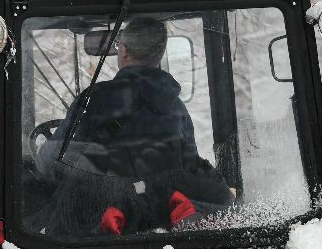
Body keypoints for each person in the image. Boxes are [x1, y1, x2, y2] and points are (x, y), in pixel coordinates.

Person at [37, 17, 228, 236]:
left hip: (103, 201)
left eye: (119, 46)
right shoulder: (176, 106)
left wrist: (44, 156)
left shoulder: (93, 100)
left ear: (124, 51)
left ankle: (107, 218)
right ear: (159, 54)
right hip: (163, 207)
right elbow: (188, 158)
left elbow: (54, 158)